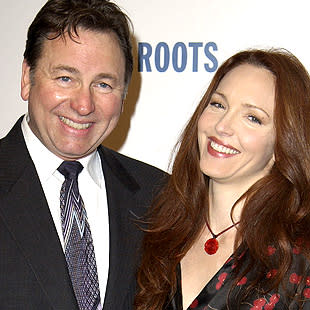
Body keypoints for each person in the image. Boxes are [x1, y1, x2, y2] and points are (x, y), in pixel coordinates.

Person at [0, 0, 165, 309]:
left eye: (103, 84)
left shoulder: (159, 196)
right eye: (66, 78)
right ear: (27, 78)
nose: (84, 105)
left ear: (124, 93)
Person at [134, 49, 310, 310]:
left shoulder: (299, 257)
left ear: (283, 142)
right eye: (218, 104)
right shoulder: (155, 228)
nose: (222, 126)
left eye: (253, 118)